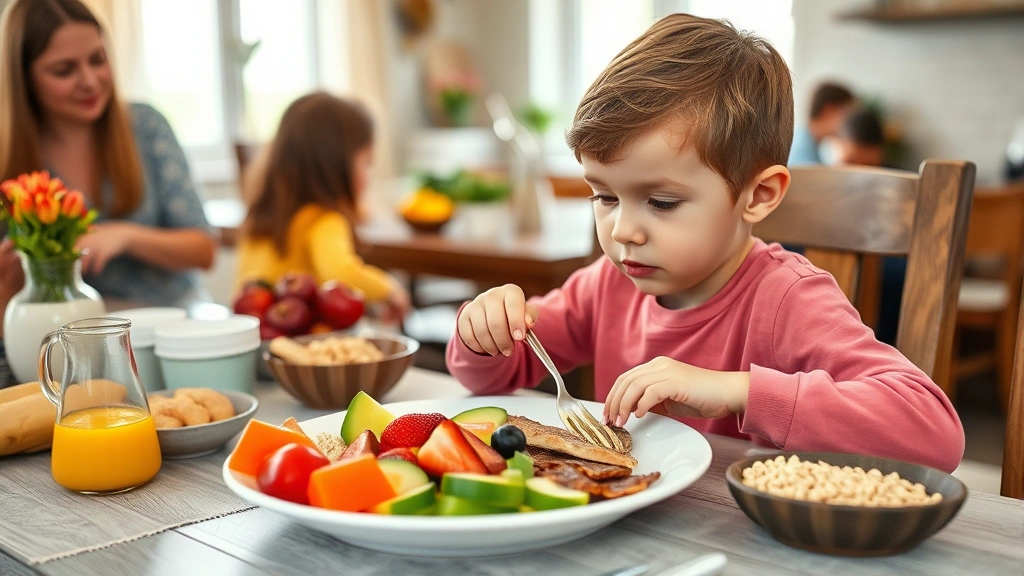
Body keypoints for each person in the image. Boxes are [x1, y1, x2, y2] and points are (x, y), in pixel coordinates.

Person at [445, 14, 963, 473]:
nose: (622, 230)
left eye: (662, 203)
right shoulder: (608, 285)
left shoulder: (787, 300)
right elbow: (491, 376)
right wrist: (482, 333)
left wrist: (737, 390)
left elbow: (934, 432)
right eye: (604, 196)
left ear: (758, 195)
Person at [0, 0, 216, 326]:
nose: (89, 81)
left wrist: (125, 235)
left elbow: (204, 249)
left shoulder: (145, 126)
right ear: (24, 78)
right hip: (75, 337)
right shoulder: (9, 164)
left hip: (177, 321)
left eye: (97, 60)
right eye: (64, 70)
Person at [236, 92, 410, 323]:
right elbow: (341, 273)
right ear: (335, 165)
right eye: (366, 163)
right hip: (299, 339)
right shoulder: (323, 220)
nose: (368, 175)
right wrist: (390, 289)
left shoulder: (262, 217)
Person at [789, 81, 856, 166]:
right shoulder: (800, 147)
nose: (852, 123)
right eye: (849, 114)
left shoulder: (810, 144)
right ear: (829, 111)